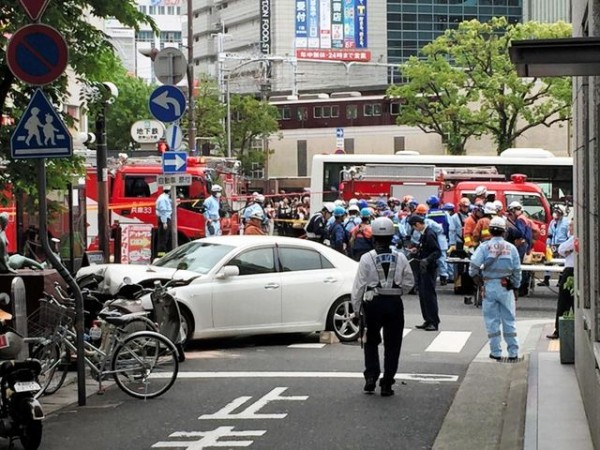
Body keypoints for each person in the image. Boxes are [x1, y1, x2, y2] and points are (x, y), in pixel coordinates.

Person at [351, 217, 415, 396]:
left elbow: (359, 286)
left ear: (374, 237)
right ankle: (387, 383)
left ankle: (371, 377)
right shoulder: (400, 257)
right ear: (391, 236)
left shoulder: (366, 258)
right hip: (394, 304)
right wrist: (398, 291)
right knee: (393, 344)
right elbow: (409, 281)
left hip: (373, 303)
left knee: (371, 340)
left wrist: (356, 309)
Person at [468, 216, 522, 361]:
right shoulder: (511, 248)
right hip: (506, 287)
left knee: (492, 320)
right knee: (509, 319)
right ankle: (513, 352)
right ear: (504, 232)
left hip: (489, 285)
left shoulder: (484, 247)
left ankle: (496, 351)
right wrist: (516, 286)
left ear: (490, 231)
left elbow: (473, 265)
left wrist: (476, 278)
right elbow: (517, 270)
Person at [407, 214, 441, 331]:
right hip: (423, 268)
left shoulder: (430, 234)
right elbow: (425, 249)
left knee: (429, 295)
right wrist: (416, 250)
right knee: (423, 295)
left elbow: (437, 252)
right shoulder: (424, 234)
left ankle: (433, 321)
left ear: (417, 224)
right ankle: (427, 319)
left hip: (429, 268)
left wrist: (427, 259)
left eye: (414, 227)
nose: (415, 230)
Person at [547, 219, 575, 339]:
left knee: (564, 302)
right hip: (572, 270)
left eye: (571, 226)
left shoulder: (574, 239)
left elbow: (561, 249)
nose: (569, 228)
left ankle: (559, 330)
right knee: (572, 302)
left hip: (570, 271)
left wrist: (567, 251)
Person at [539, 205, 569, 286]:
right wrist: (548, 245)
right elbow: (550, 235)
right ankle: (546, 279)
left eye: (557, 212)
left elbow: (568, 236)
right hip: (552, 245)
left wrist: (566, 247)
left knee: (561, 264)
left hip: (561, 245)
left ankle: (560, 281)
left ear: (562, 213)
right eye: (555, 212)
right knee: (548, 261)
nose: (555, 214)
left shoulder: (566, 223)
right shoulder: (553, 222)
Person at [155, 186, 173, 255]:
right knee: (163, 239)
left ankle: (166, 254)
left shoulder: (165, 197)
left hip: (166, 219)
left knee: (167, 238)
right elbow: (163, 211)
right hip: (164, 219)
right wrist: (164, 222)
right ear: (169, 190)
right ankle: (161, 256)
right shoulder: (163, 199)